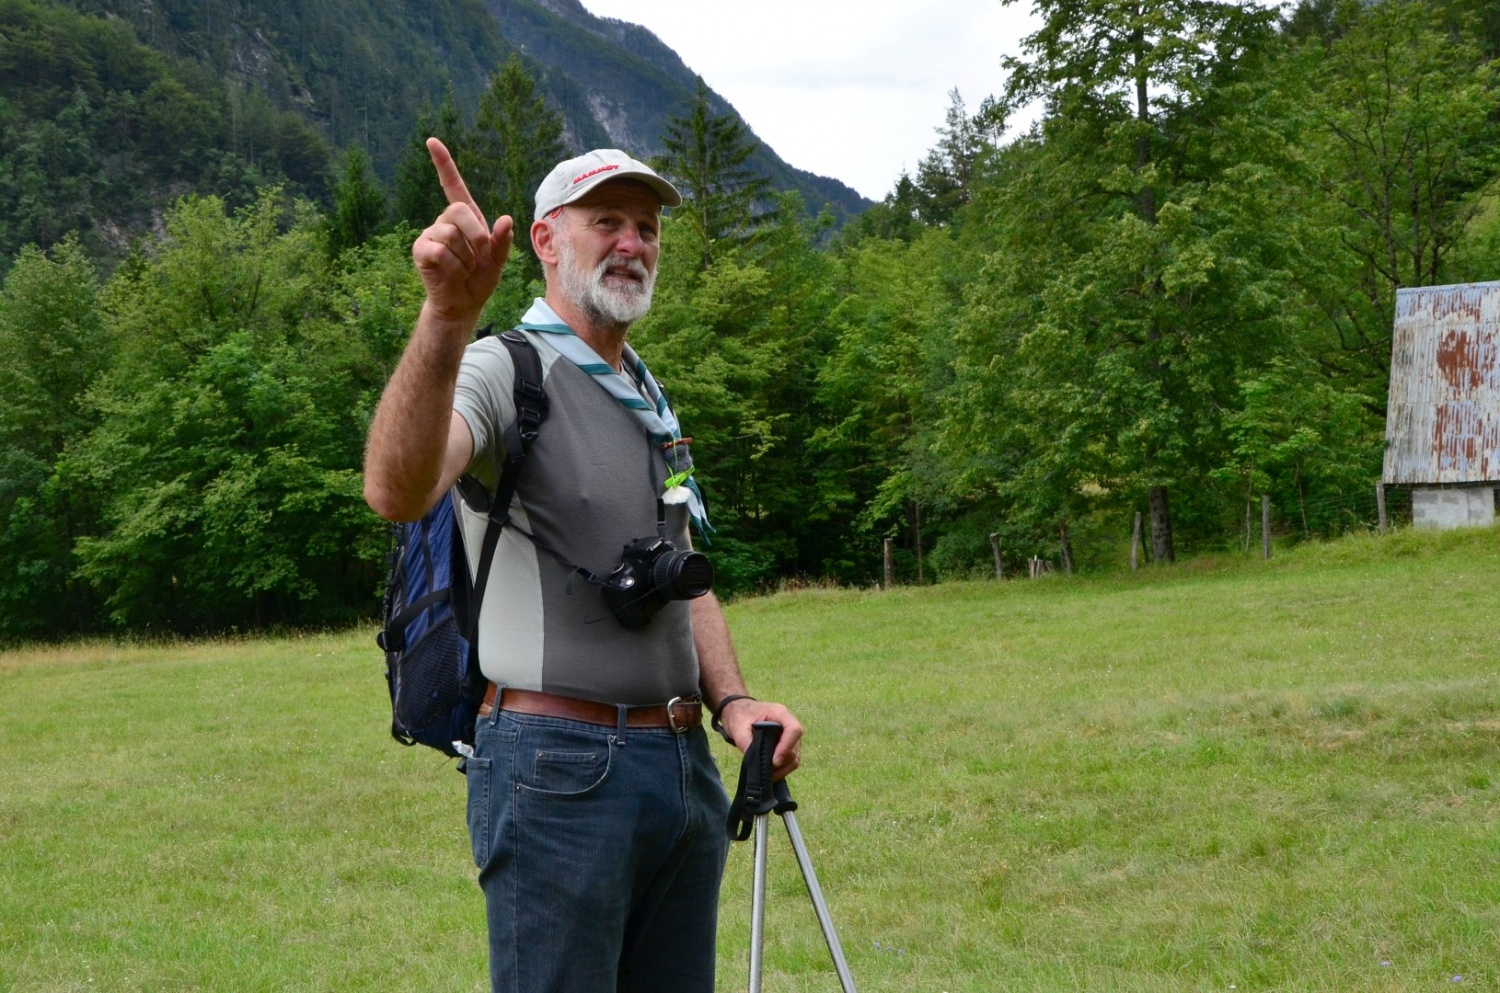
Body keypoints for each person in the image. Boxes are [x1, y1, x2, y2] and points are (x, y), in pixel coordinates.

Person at [362, 139, 803, 993]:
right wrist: (445, 318)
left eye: (647, 226)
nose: (633, 242)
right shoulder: (503, 369)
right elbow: (395, 488)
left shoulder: (648, 395)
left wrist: (737, 704)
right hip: (556, 768)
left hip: (680, 770)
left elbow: (686, 573)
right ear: (545, 239)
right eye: (607, 221)